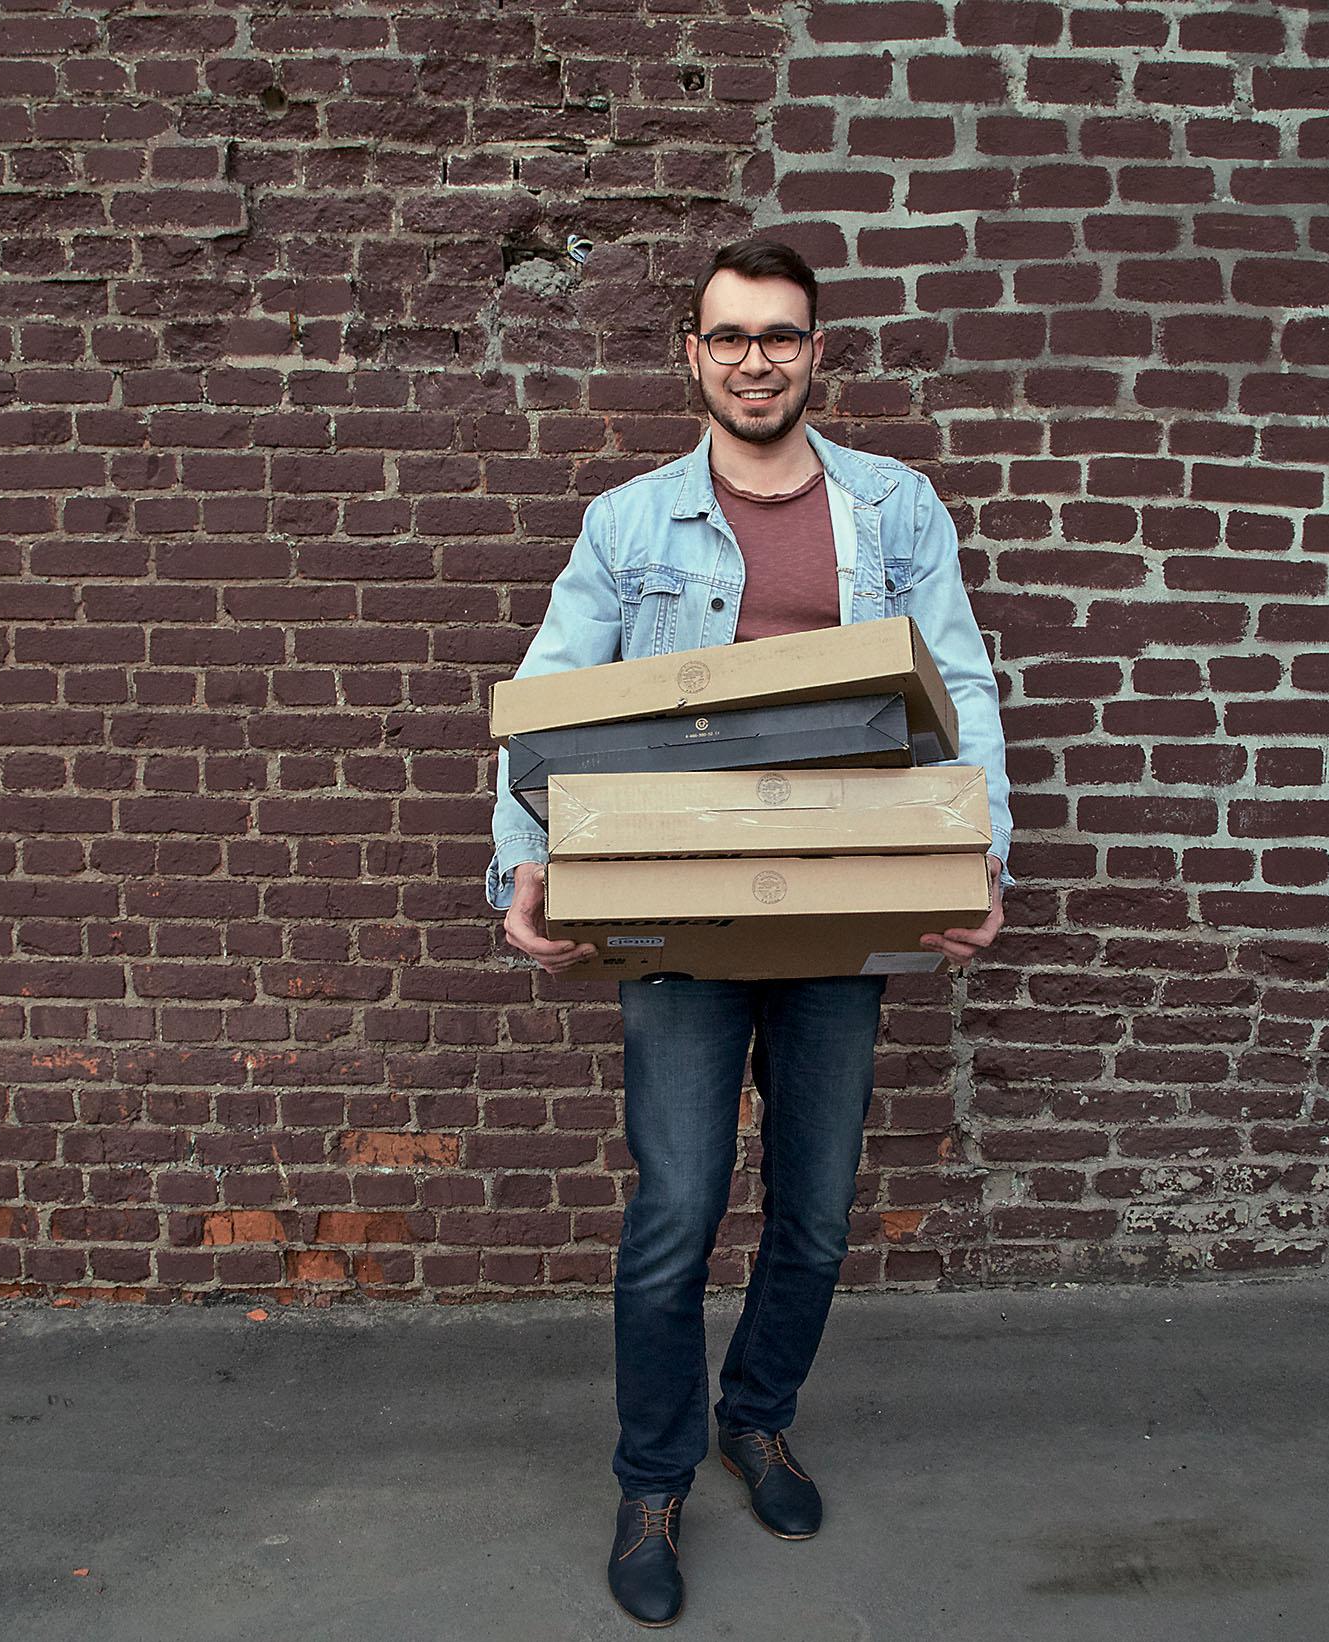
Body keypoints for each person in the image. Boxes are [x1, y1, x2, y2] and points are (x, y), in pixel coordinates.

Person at [483, 237, 1014, 1628]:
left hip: (843, 907)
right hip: (678, 917)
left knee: (819, 1213)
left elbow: (961, 685)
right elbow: (548, 697)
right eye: (730, 337)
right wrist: (523, 865)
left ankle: (757, 1419)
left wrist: (978, 853)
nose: (756, 360)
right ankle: (651, 1480)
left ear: (816, 352)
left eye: (781, 335)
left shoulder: (894, 508)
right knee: (675, 1213)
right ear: (693, 356)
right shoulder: (629, 525)